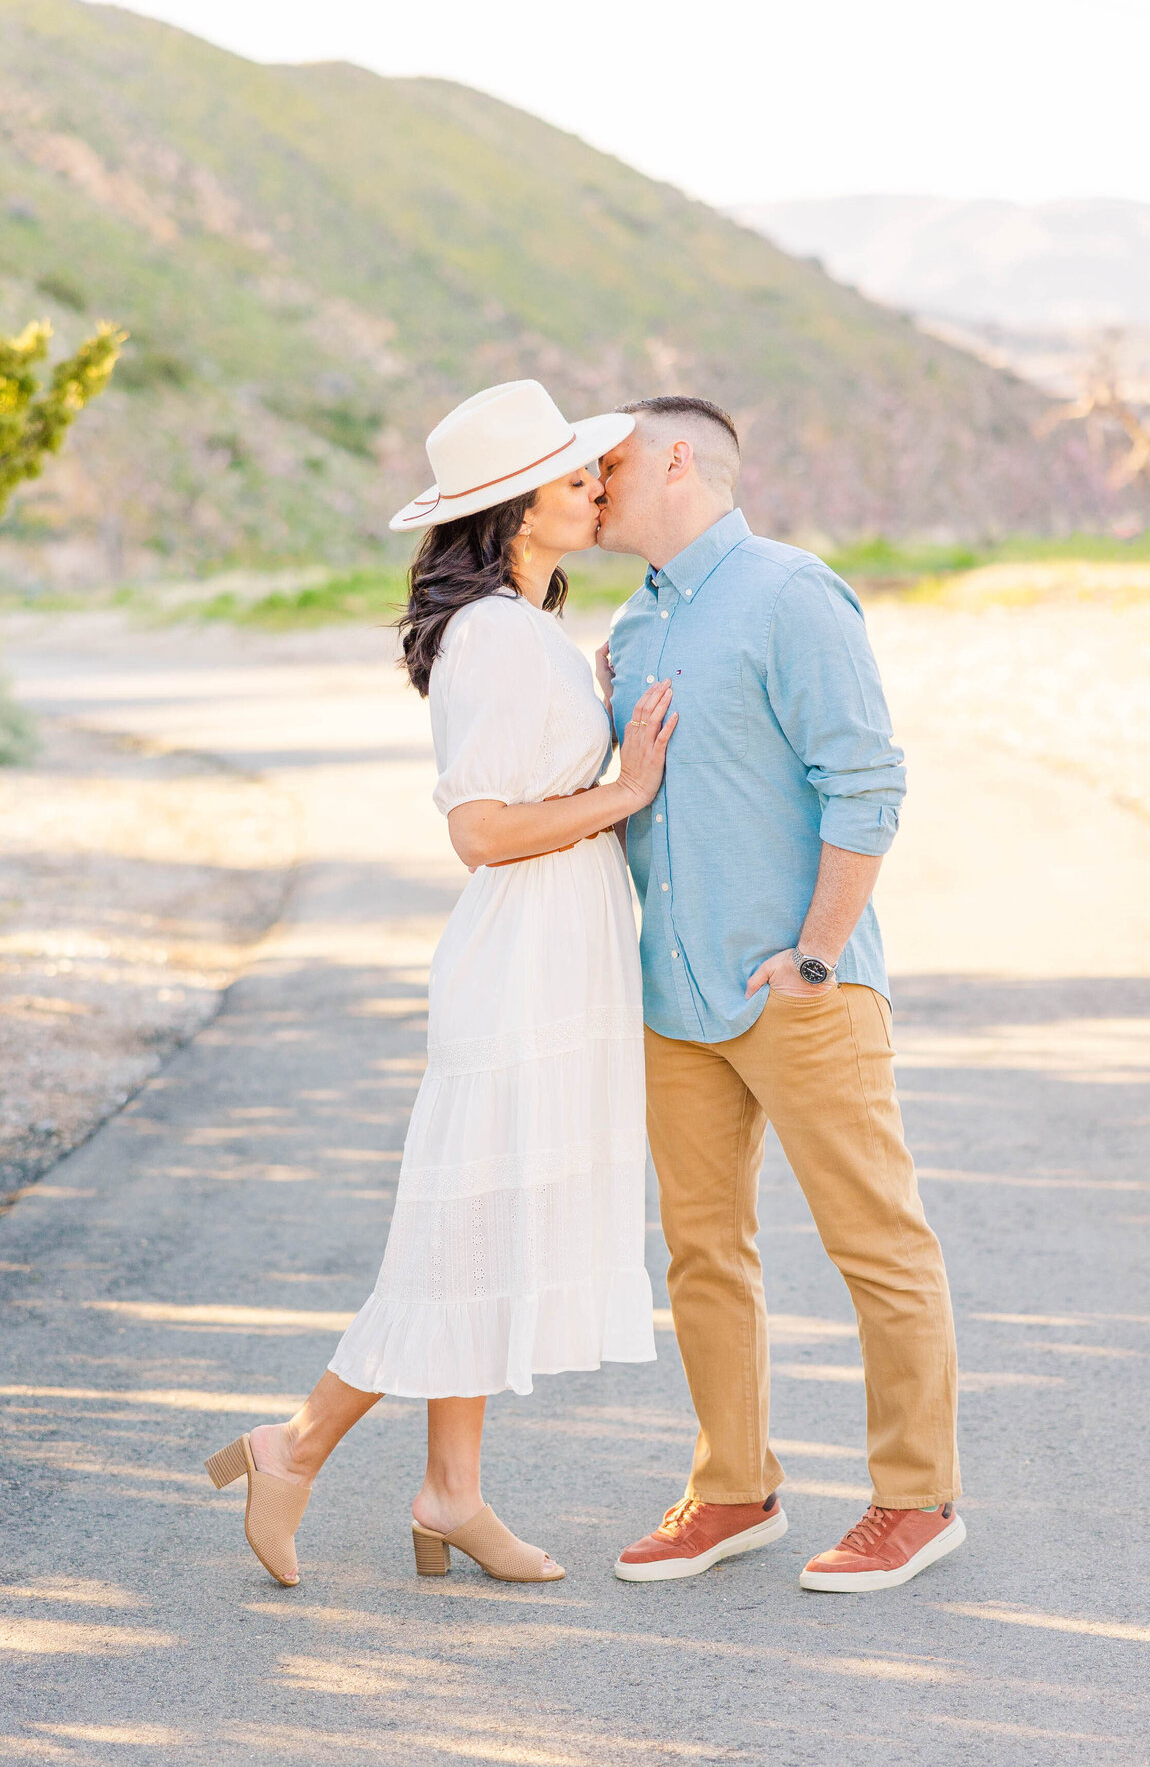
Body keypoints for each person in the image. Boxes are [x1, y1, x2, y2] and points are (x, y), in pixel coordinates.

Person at [204, 380, 675, 1588]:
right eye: (577, 476)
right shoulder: (492, 635)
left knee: (493, 1225)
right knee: (459, 1231)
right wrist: (623, 790)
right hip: (518, 958)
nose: (597, 487)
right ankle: (292, 1446)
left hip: (554, 951)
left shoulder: (526, 626)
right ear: (518, 507)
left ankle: (451, 1492)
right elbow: (479, 830)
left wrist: (606, 715)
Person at [595, 396, 964, 1593]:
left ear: (677, 460)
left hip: (801, 991)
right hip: (673, 1001)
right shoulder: (632, 628)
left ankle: (916, 1501)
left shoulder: (792, 592)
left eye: (610, 466)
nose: (592, 486)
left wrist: (813, 957)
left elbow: (867, 782)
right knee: (702, 1254)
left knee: (877, 1245)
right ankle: (732, 1489)